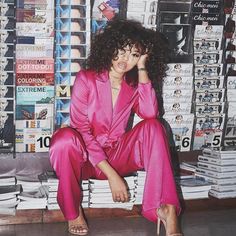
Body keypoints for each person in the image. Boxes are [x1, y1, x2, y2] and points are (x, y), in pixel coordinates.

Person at [49, 18, 182, 236]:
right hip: (86, 161)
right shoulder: (87, 78)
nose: (125, 59)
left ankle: (165, 207)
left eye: (134, 54)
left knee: (154, 127)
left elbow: (149, 113)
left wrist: (142, 68)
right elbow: (81, 129)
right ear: (111, 46)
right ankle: (73, 213)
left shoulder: (132, 84)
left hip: (117, 155)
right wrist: (112, 176)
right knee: (64, 139)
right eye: (122, 50)